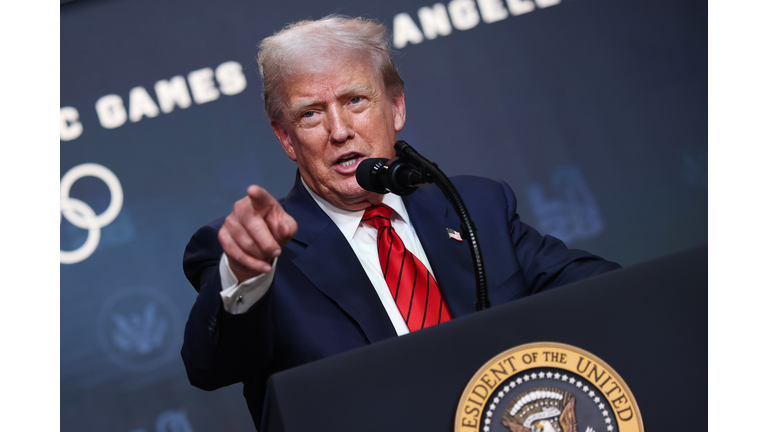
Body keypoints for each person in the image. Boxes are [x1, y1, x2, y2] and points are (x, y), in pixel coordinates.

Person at [181, 15, 620, 429]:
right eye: (310, 113)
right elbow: (210, 367)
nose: (339, 130)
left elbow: (604, 290)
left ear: (396, 108)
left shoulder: (475, 205)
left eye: (355, 101)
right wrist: (244, 276)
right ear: (286, 138)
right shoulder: (252, 251)